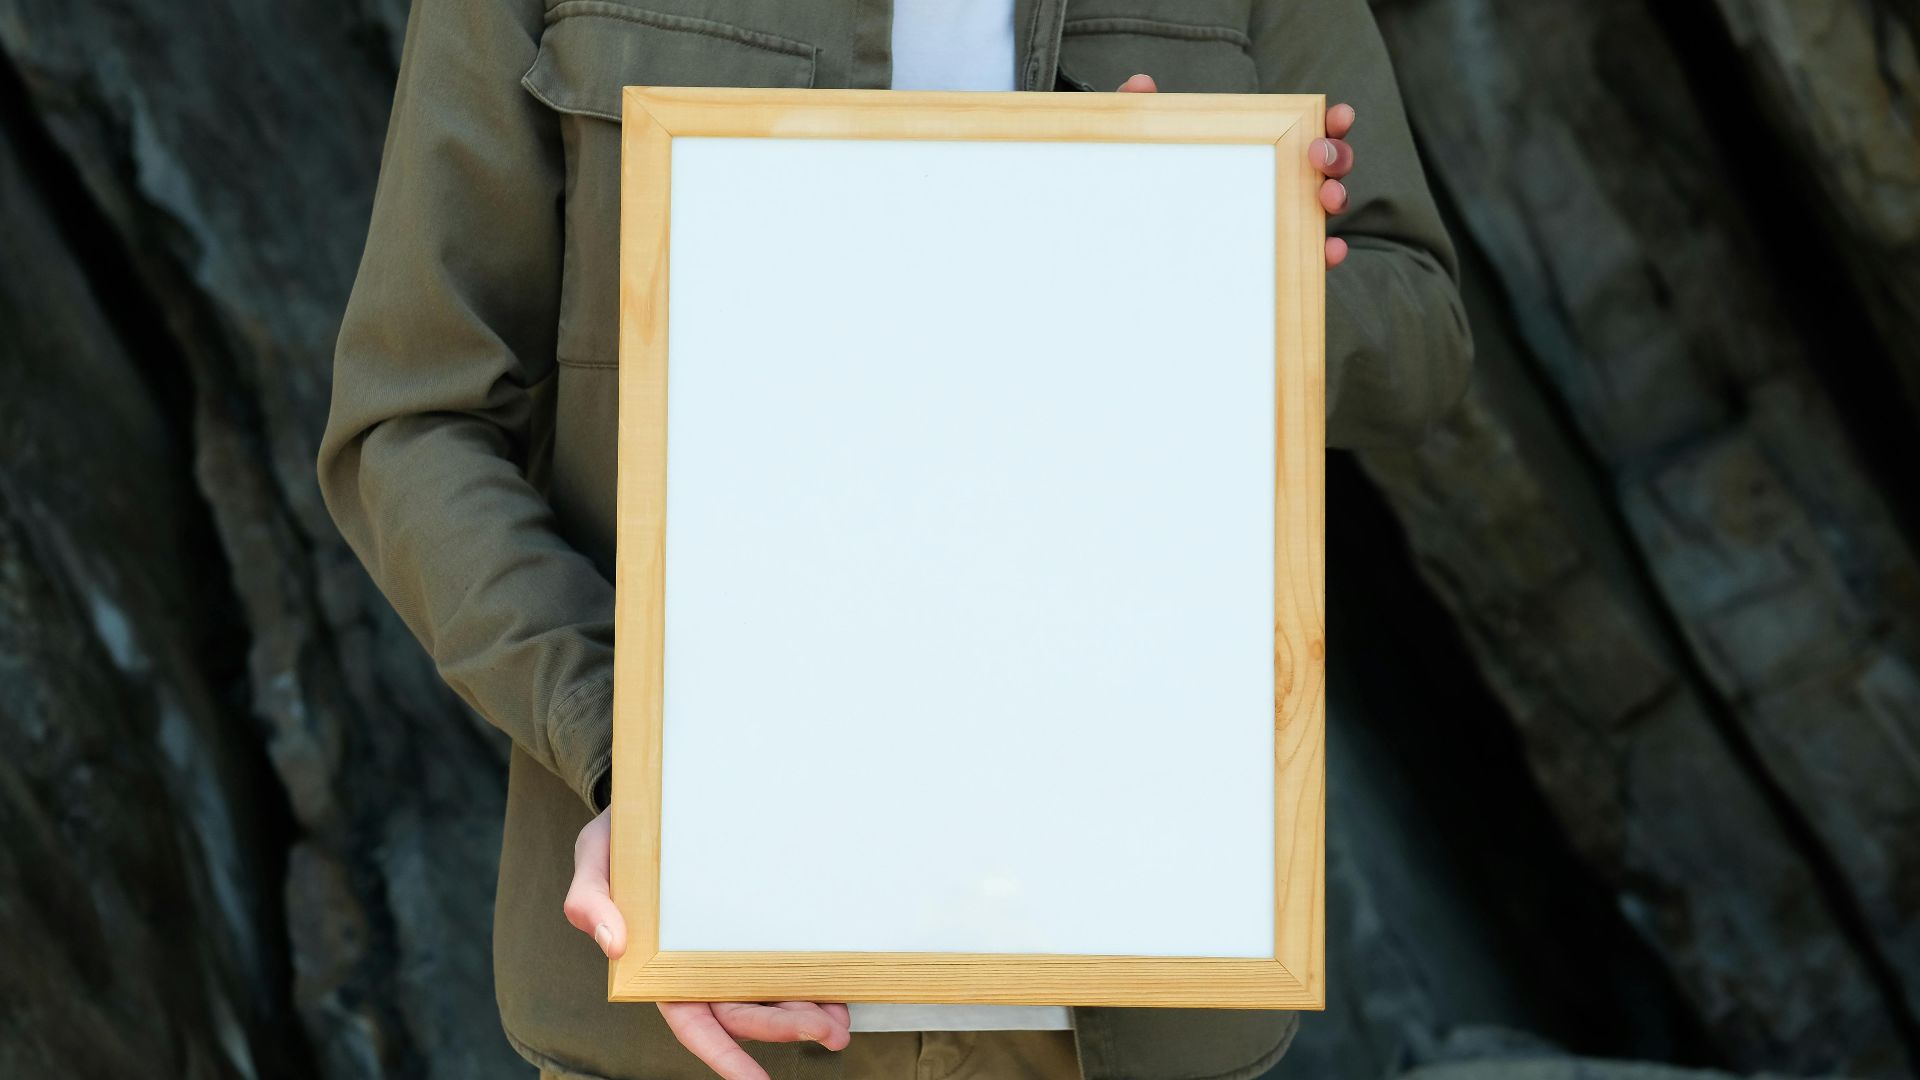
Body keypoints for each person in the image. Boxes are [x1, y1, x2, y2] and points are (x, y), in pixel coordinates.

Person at [315, 0, 1473, 1077]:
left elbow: (1415, 326)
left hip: (1133, 1001)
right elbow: (413, 422)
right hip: (706, 1023)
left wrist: (1201, 257)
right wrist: (642, 761)